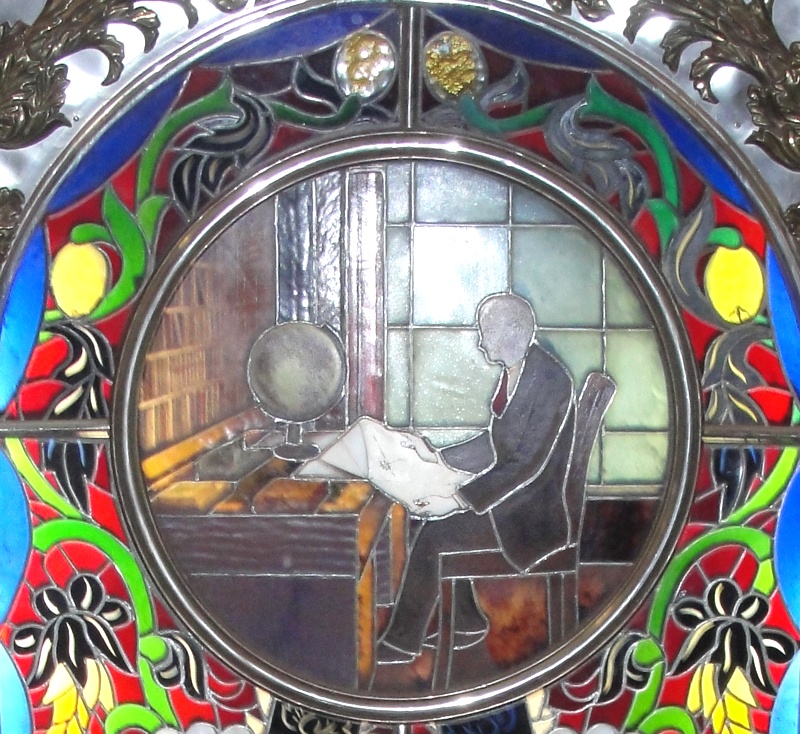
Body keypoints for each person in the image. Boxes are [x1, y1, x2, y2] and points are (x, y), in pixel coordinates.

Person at [378, 292, 576, 663]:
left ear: (512, 331)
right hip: (509, 503)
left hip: (528, 516)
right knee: (419, 518)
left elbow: (525, 463)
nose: (481, 340)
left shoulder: (550, 381)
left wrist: (459, 498)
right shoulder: (518, 369)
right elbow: (496, 442)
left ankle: (401, 643)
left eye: (486, 331)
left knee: (433, 536)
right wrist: (439, 457)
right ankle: (466, 620)